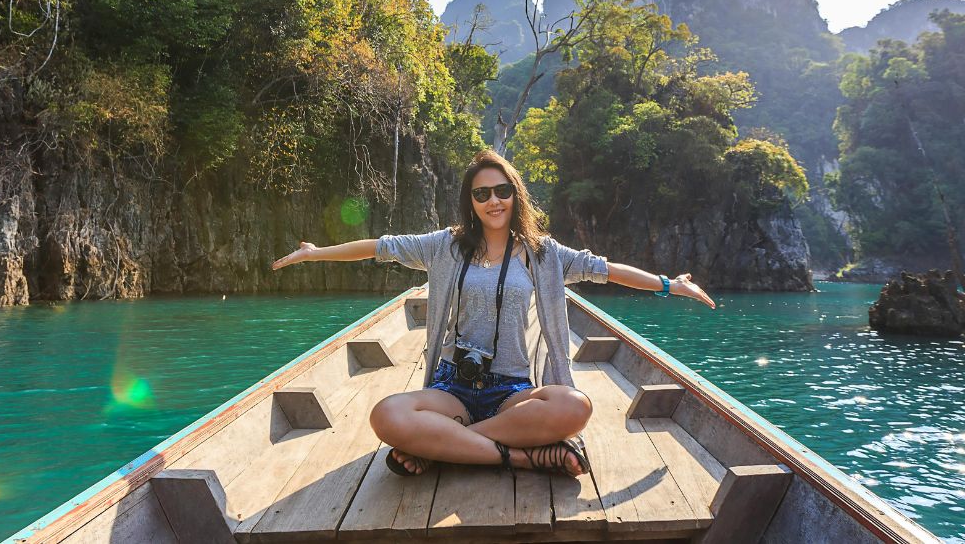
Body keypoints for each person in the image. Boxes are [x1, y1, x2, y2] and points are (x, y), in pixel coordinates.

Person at [271, 149, 715, 478]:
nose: (493, 200)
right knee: (386, 415)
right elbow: (379, 247)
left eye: (502, 191)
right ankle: (520, 456)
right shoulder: (445, 245)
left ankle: (446, 446)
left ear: (514, 194)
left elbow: (606, 270)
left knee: (573, 405)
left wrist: (668, 285)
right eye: (481, 193)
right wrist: (315, 254)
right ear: (471, 200)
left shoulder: (544, 255)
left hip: (511, 390)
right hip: (454, 387)